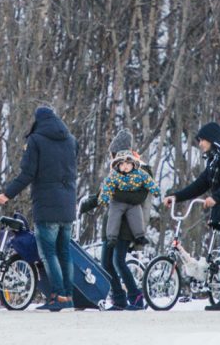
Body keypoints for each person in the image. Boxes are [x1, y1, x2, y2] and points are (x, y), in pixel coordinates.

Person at [163, 122, 220, 311]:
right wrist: (177, 196)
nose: (200, 144)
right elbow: (200, 184)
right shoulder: (214, 159)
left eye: (202, 140)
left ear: (211, 138)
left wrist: (216, 197)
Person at [0, 106, 77, 312]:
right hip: (68, 205)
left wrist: (7, 194)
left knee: (49, 253)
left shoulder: (36, 140)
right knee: (64, 252)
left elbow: (27, 173)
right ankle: (68, 296)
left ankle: (58, 295)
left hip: (47, 205)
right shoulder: (70, 140)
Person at [80, 129, 149, 311]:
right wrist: (85, 205)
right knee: (106, 264)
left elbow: (139, 196)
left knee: (118, 261)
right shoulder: (115, 171)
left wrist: (114, 192)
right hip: (111, 225)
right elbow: (103, 194)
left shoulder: (140, 169)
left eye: (113, 154)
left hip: (126, 226)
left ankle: (136, 297)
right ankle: (119, 299)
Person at [97, 149, 160, 248]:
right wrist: (103, 199)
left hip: (132, 202)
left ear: (133, 164)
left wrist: (155, 190)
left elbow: (149, 181)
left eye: (127, 163)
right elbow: (107, 187)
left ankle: (139, 236)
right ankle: (112, 237)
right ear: (117, 166)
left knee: (136, 216)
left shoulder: (139, 173)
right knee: (114, 216)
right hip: (117, 202)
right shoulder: (114, 175)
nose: (125, 166)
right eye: (121, 164)